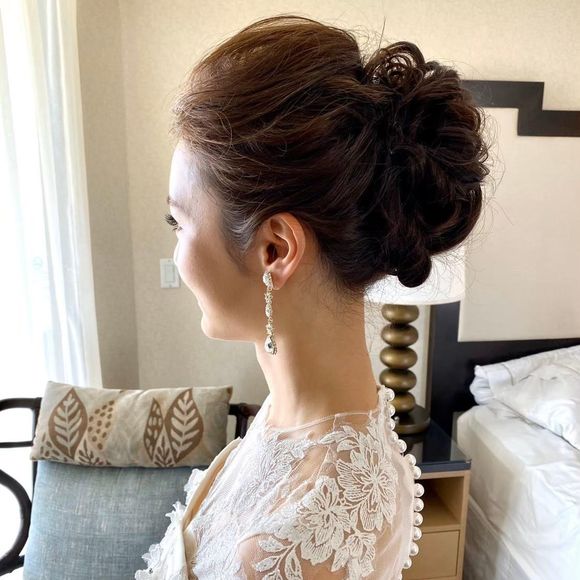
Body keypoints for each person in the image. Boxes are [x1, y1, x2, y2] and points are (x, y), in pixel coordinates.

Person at [135, 14, 489, 580]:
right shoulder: (290, 415)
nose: (177, 253)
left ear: (275, 250)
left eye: (179, 222)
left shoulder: (301, 536)